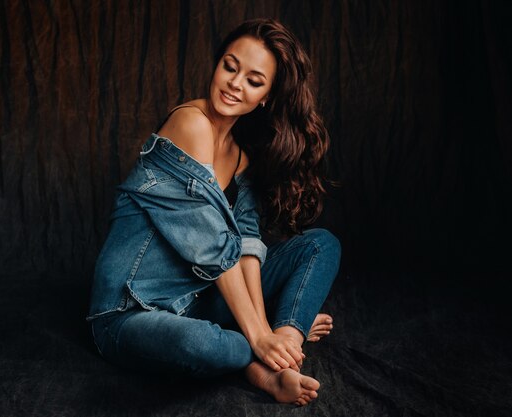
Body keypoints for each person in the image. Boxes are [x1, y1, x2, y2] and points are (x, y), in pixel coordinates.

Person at [86, 18, 340, 407]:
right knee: (204, 344)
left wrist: (272, 337)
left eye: (254, 81)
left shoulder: (240, 154)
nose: (235, 83)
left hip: (201, 296)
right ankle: (262, 365)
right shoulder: (190, 123)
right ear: (218, 63)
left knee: (321, 245)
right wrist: (258, 337)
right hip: (129, 312)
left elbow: (247, 245)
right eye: (230, 65)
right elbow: (212, 247)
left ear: (266, 97)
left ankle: (288, 341)